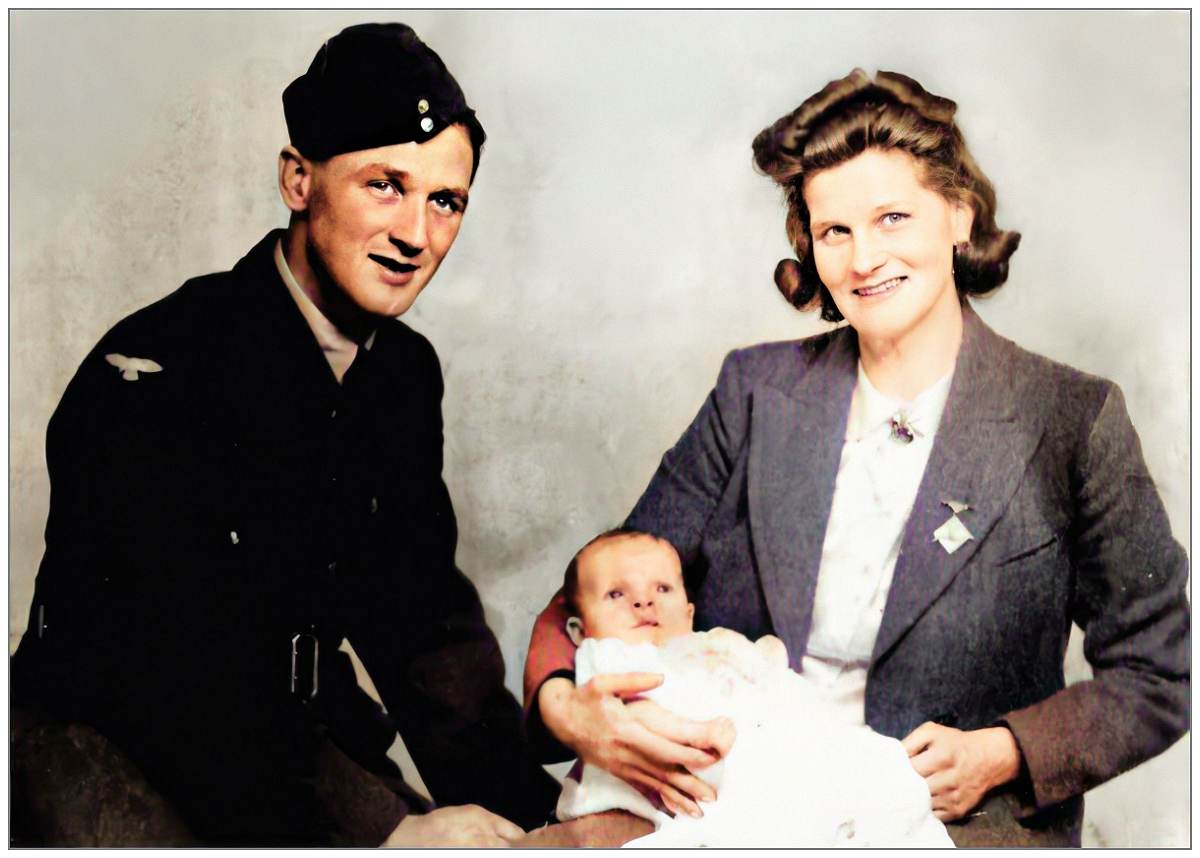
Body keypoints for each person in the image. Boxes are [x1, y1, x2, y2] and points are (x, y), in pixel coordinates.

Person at [523, 69, 1191, 847]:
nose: (864, 258)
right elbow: (602, 579)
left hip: (952, 822)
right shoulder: (755, 392)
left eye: (892, 217)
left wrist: (1004, 751)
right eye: (835, 231)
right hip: (723, 802)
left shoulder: (1072, 418)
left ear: (959, 214)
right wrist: (571, 712)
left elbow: (1158, 673)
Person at [11, 23, 558, 846]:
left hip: (291, 733)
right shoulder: (157, 370)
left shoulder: (403, 374)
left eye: (444, 201)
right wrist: (382, 836)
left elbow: (425, 628)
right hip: (105, 731)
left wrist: (546, 823)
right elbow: (171, 670)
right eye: (384, 184)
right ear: (299, 180)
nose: (416, 233)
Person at [552, 528, 953, 847]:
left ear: (689, 612)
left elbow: (775, 681)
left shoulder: (710, 643)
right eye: (616, 594)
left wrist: (767, 664)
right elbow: (629, 714)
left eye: (662, 589)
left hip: (774, 746)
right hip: (697, 772)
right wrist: (700, 733)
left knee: (882, 773)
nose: (643, 602)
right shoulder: (608, 656)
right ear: (580, 628)